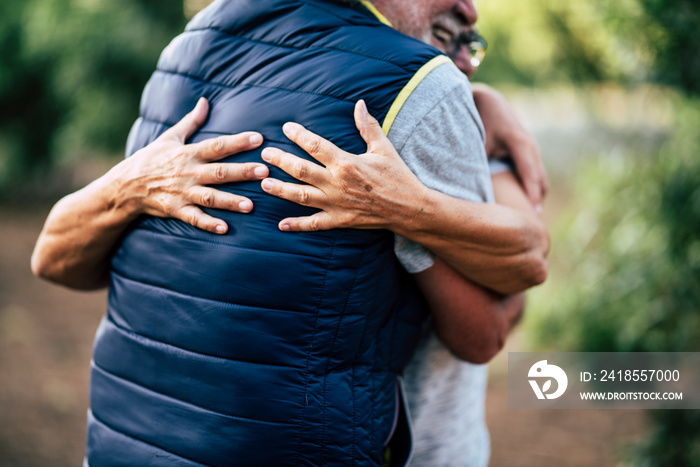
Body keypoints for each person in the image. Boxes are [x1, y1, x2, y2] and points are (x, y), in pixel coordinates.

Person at [31, 0, 548, 465]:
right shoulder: (414, 88)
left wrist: (477, 108)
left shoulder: (181, 61)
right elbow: (489, 327)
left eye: (469, 51)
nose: (471, 10)